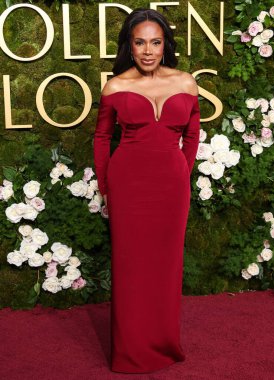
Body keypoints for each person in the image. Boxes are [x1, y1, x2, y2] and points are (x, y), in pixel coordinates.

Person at [93, 7, 200, 374]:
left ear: (165, 44)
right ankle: (130, 352)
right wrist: (106, 187)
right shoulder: (117, 85)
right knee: (130, 267)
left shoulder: (186, 82)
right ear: (129, 45)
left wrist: (181, 176)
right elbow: (103, 136)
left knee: (166, 268)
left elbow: (192, 134)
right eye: (140, 42)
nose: (148, 50)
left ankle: (165, 344)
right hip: (128, 187)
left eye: (155, 42)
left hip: (171, 187)